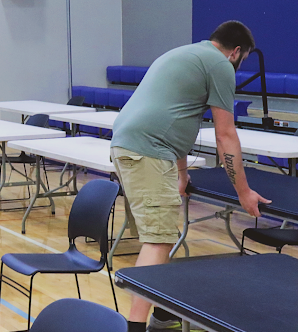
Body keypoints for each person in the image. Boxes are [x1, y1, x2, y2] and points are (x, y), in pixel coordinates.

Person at [110, 21, 271, 332]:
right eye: (243, 60)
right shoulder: (220, 65)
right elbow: (226, 135)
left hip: (131, 145)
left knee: (161, 235)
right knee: (159, 240)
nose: (239, 67)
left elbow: (177, 117)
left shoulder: (188, 54)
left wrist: (182, 174)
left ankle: (163, 314)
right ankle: (136, 327)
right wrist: (243, 192)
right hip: (147, 151)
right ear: (235, 52)